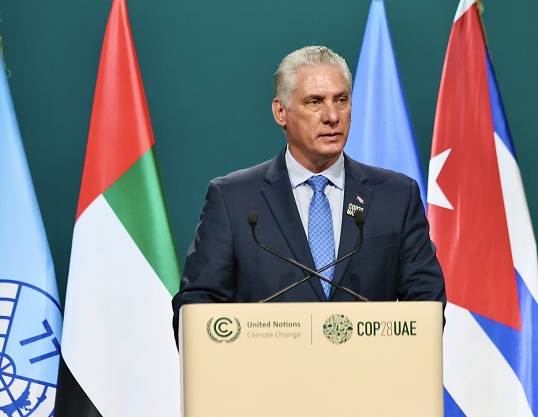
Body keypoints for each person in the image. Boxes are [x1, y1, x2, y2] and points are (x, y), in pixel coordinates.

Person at [172, 45, 445, 339]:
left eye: (341, 100)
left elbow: (426, 300)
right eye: (315, 102)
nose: (331, 115)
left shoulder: (396, 196)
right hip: (267, 379)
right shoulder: (233, 200)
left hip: (367, 380)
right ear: (281, 112)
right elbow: (197, 306)